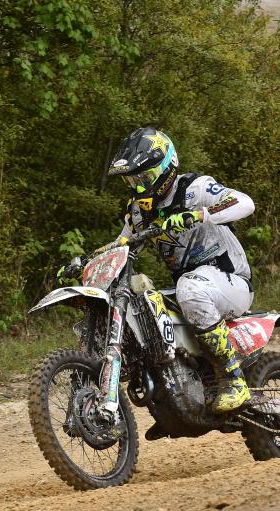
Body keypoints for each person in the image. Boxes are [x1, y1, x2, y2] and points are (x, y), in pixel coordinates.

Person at [106, 126, 256, 413]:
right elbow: (122, 247)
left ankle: (233, 378)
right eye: (133, 181)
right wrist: (88, 263)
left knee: (189, 286)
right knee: (143, 305)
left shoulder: (195, 189)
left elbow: (245, 203)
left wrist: (201, 214)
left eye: (144, 178)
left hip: (231, 281)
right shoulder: (139, 211)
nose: (139, 187)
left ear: (165, 168)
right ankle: (170, 397)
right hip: (193, 285)